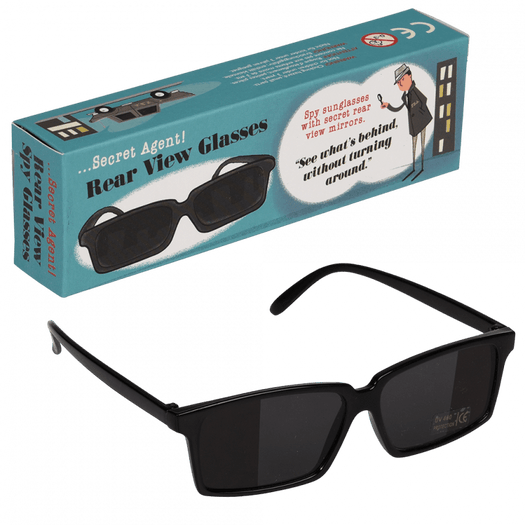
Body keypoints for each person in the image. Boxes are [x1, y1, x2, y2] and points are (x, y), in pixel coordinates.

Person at [381, 64, 432, 178]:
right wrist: (388, 105)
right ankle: (414, 168)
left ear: (410, 76)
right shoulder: (404, 96)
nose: (400, 84)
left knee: (422, 144)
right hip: (413, 125)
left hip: (422, 120)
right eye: (398, 82)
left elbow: (424, 100)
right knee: (414, 145)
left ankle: (422, 167)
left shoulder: (415, 91)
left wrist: (419, 112)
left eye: (402, 79)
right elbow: (398, 108)